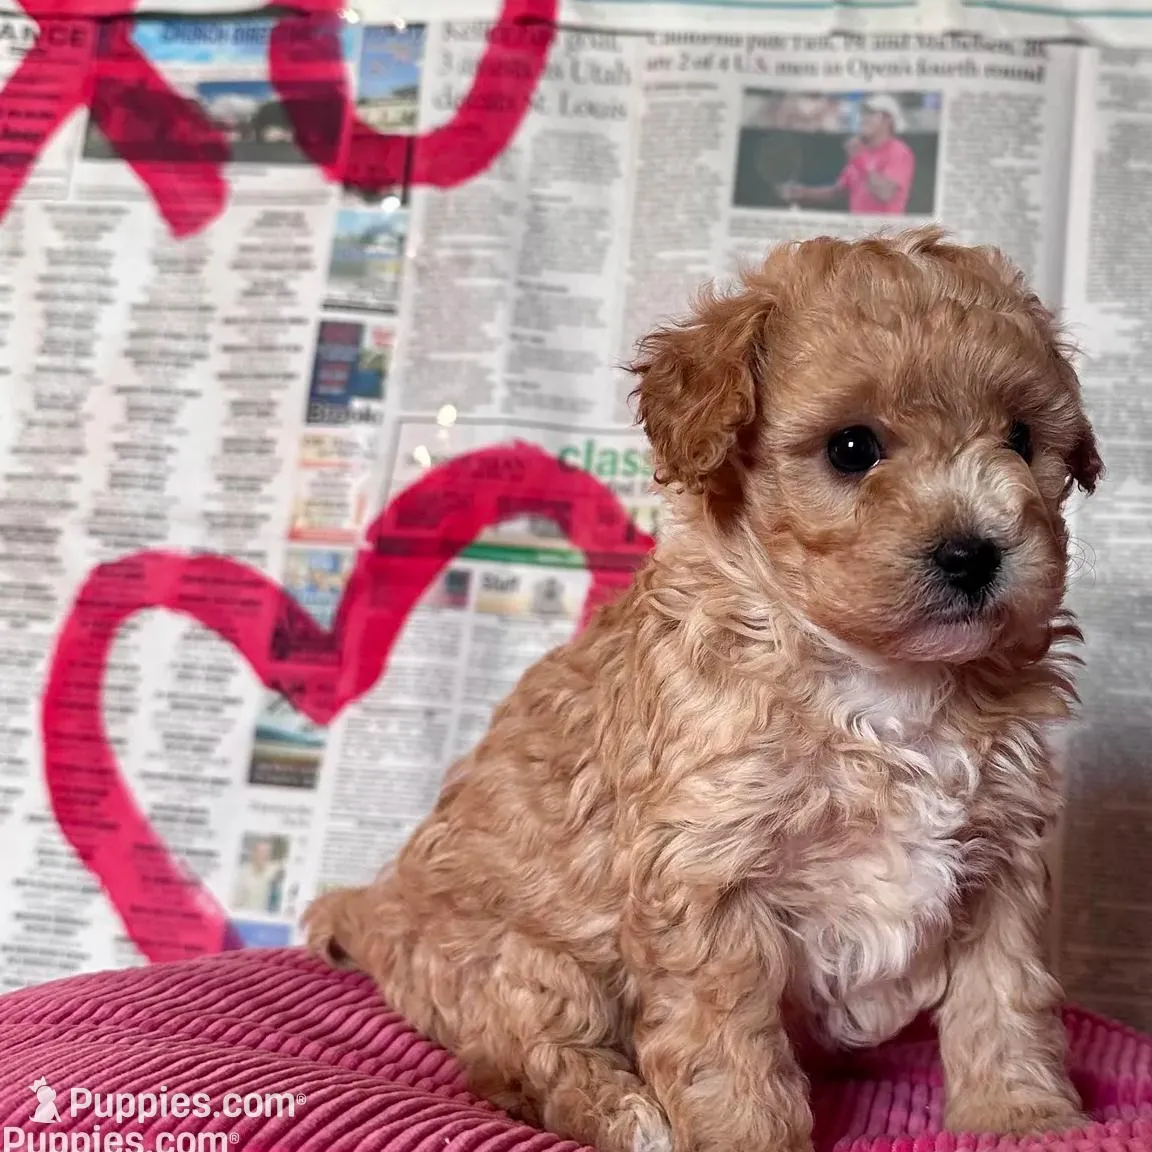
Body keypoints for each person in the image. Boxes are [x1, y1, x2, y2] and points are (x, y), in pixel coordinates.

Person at [779, 94, 916, 215]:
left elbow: (885, 194)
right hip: (859, 230)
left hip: (886, 233)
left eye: (870, 114)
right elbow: (837, 191)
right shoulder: (861, 152)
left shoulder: (899, 152)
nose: (863, 119)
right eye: (863, 113)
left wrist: (859, 159)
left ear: (888, 119)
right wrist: (802, 192)